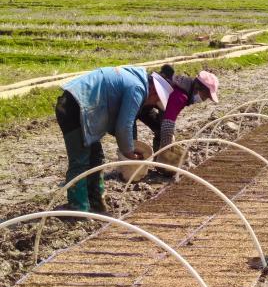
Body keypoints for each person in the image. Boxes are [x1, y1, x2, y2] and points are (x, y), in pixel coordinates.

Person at [55, 66, 173, 213]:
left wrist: (129, 145)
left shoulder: (136, 81)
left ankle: (96, 202)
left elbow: (118, 122)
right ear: (154, 91)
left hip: (87, 109)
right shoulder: (137, 88)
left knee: (96, 157)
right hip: (74, 105)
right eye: (156, 101)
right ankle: (77, 207)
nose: (152, 105)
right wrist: (129, 153)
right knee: (80, 159)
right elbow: (124, 126)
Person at [137, 67, 219, 151]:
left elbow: (165, 114)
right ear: (198, 88)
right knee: (131, 141)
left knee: (161, 131)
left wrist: (169, 137)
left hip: (146, 105)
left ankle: (159, 157)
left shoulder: (186, 87)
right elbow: (168, 124)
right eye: (205, 96)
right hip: (137, 101)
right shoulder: (180, 96)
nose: (203, 100)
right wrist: (167, 148)